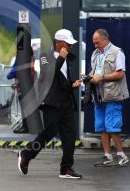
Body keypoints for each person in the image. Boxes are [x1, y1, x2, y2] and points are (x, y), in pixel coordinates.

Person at [17, 29, 83, 179]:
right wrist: (60, 58)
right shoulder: (45, 56)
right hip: (51, 102)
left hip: (65, 101)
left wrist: (73, 84)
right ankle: (26, 154)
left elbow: (61, 80)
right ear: (59, 43)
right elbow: (49, 74)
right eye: (68, 44)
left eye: (71, 45)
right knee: (48, 133)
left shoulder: (66, 58)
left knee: (70, 135)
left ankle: (66, 168)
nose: (70, 47)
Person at [88, 29, 130, 167]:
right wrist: (87, 77)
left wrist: (103, 77)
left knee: (112, 126)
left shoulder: (118, 52)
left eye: (97, 42)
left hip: (113, 95)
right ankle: (108, 156)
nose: (95, 45)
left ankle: (121, 155)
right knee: (102, 127)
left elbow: (120, 74)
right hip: (99, 95)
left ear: (105, 39)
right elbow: (94, 72)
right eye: (94, 43)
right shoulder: (95, 53)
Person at [7, 49, 35, 134]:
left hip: (21, 87)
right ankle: (30, 126)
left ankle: (25, 127)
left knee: (24, 108)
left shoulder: (20, 60)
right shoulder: (32, 59)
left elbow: (11, 74)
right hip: (31, 86)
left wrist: (11, 76)